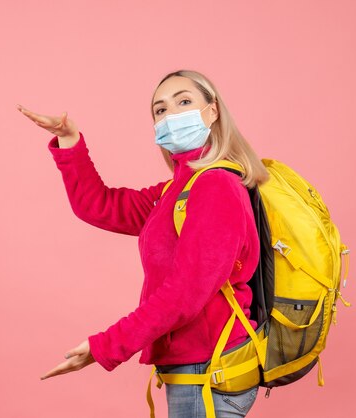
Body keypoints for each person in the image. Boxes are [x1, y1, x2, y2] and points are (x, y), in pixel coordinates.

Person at [17, 69, 270, 417]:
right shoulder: (175, 190)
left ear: (212, 112)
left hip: (208, 373)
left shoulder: (216, 188)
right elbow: (100, 206)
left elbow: (186, 293)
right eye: (160, 110)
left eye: (184, 101)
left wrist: (106, 345)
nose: (171, 115)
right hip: (194, 373)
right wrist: (69, 139)